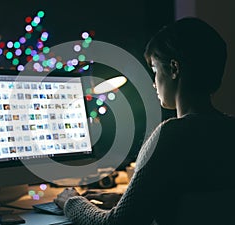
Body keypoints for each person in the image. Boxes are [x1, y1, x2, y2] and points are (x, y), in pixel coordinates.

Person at [54, 17, 235, 225]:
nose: (153, 83)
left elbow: (116, 224)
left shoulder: (172, 134)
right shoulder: (229, 128)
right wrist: (126, 200)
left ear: (174, 69)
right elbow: (194, 204)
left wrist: (71, 202)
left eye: (155, 70)